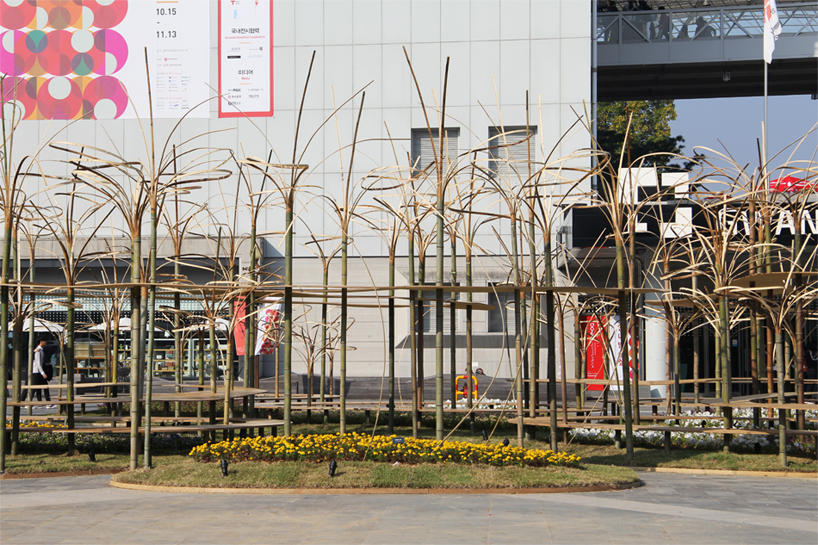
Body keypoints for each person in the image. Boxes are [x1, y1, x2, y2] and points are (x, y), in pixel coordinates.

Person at [29, 338, 53, 407]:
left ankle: (47, 402)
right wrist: (43, 373)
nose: (46, 343)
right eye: (45, 341)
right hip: (36, 371)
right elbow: (38, 363)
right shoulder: (38, 351)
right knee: (34, 388)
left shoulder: (41, 350)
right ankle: (29, 403)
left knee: (44, 386)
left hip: (39, 371)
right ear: (41, 342)